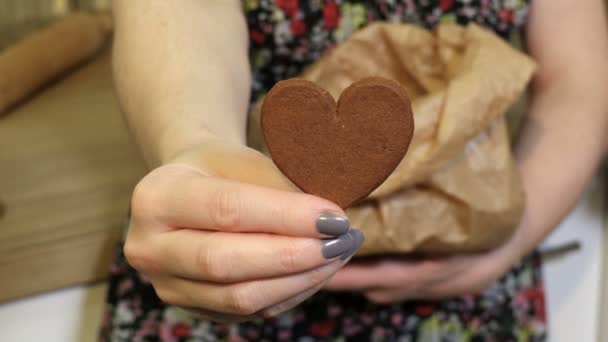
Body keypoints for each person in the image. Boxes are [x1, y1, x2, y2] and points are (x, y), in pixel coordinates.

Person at [102, 0, 608, 341]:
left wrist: (513, 237)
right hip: (226, 255)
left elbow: (579, 77)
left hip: (469, 282)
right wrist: (196, 146)